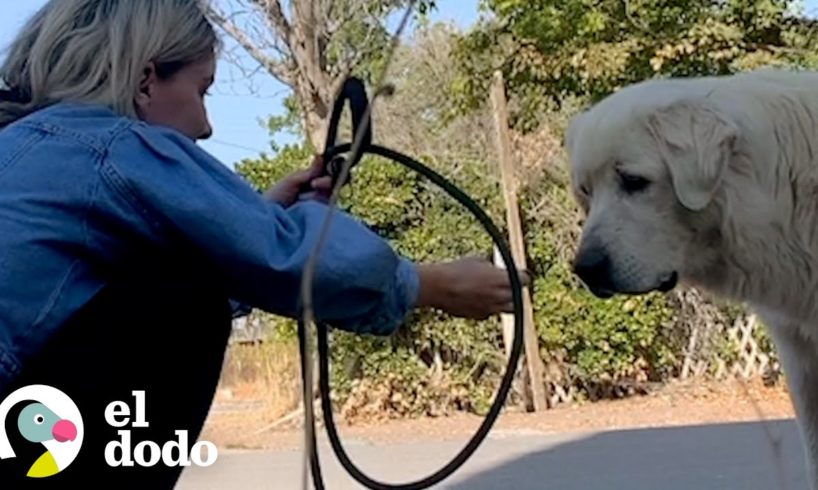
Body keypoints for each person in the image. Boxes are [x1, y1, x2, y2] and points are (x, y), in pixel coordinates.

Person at [0, 0, 526, 487]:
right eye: (202, 91)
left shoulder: (30, 147)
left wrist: (261, 213)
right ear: (144, 80)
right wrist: (427, 285)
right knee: (189, 296)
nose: (206, 128)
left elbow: (124, 309)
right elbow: (288, 261)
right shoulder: (111, 145)